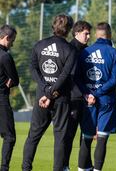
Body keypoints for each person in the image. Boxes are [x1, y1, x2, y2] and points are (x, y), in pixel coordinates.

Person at [22, 14, 76, 171]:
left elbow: (33, 68)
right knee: (60, 138)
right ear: (69, 30)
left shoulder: (40, 45)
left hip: (41, 97)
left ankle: (26, 168)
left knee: (33, 135)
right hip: (60, 98)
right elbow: (65, 75)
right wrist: (51, 92)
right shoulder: (70, 49)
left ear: (53, 26)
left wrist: (45, 90)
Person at [76, 22, 116, 171]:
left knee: (87, 138)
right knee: (102, 139)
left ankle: (82, 169)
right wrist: (97, 93)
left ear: (96, 34)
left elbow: (78, 78)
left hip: (88, 100)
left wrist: (87, 93)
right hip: (106, 100)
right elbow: (113, 80)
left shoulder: (84, 52)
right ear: (109, 35)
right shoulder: (115, 54)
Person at [64, 20, 92, 170]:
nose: (88, 36)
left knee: (87, 135)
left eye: (89, 33)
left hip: (87, 100)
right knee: (69, 135)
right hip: (72, 99)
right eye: (85, 33)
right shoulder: (69, 49)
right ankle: (65, 165)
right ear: (76, 33)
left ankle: (85, 166)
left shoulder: (88, 51)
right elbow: (70, 77)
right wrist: (83, 93)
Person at [0, 25, 19, 171]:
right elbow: (15, 80)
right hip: (1, 100)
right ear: (6, 38)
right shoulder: (5, 56)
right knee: (9, 137)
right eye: (12, 41)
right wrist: (9, 81)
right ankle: (4, 168)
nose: (12, 44)